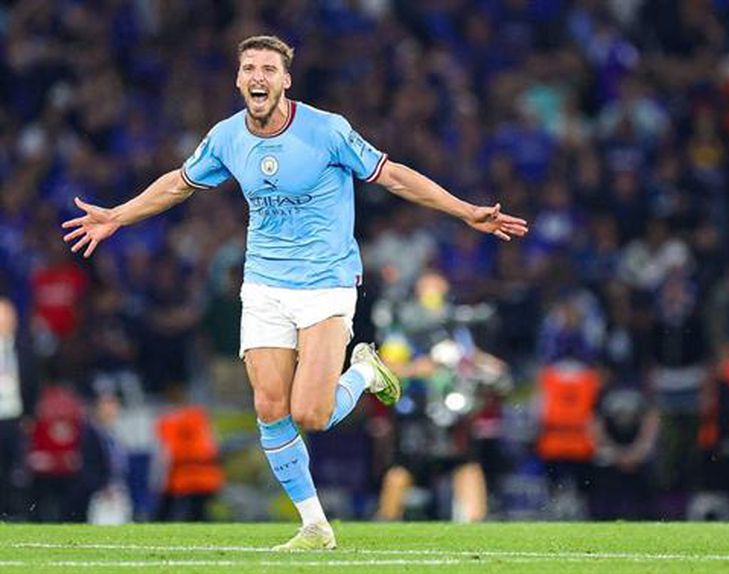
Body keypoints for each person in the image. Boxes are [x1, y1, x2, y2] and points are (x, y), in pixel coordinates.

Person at [61, 35, 528, 549]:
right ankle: (315, 526)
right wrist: (118, 216)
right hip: (264, 285)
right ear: (238, 79)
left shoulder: (327, 130)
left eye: (268, 68)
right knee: (269, 407)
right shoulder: (226, 137)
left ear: (286, 80)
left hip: (326, 283)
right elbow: (178, 183)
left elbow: (392, 176)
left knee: (312, 415)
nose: (257, 77)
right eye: (249, 68)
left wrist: (465, 211)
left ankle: (365, 371)